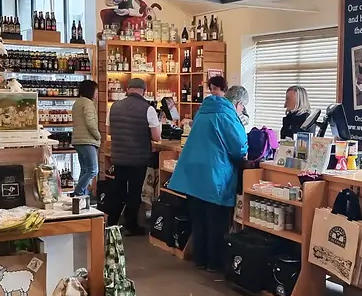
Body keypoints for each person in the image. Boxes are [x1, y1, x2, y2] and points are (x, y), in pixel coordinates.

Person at [169, 85, 248, 271]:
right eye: (243, 107)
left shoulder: (204, 111)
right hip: (215, 174)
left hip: (193, 173)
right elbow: (239, 148)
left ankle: (200, 259)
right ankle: (215, 263)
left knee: (199, 219)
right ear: (238, 104)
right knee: (217, 221)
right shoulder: (228, 115)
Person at [108, 77, 161, 234]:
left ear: (128, 89)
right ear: (143, 91)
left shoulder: (114, 107)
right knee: (134, 191)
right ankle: (131, 225)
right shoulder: (148, 109)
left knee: (118, 190)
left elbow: (110, 131)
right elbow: (157, 137)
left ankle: (111, 223)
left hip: (118, 156)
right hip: (138, 158)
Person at [71, 79, 102, 197]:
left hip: (78, 140)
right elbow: (90, 123)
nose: (97, 94)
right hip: (87, 140)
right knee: (93, 170)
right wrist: (98, 136)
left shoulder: (77, 102)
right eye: (96, 91)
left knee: (84, 169)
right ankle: (78, 193)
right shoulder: (88, 103)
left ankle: (82, 196)